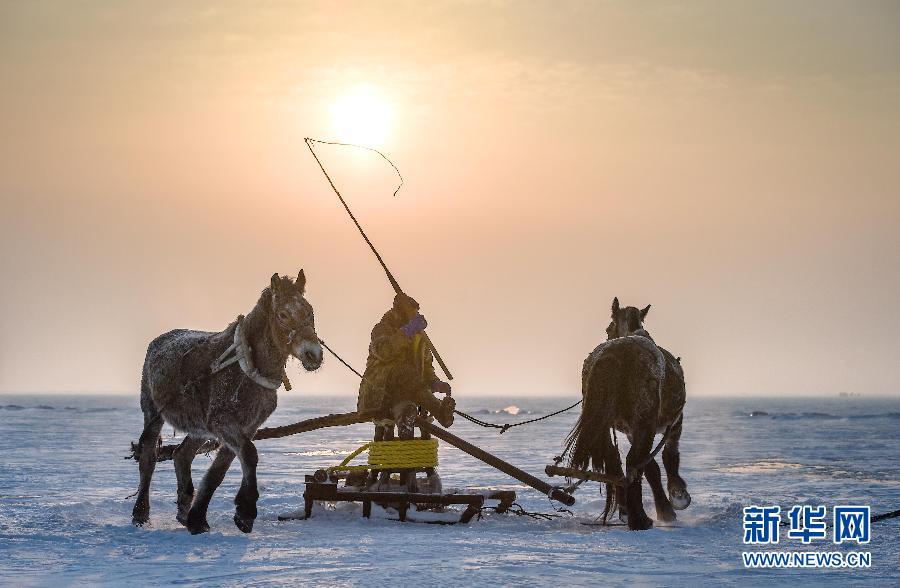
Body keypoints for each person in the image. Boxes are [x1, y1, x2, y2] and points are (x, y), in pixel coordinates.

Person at [355, 293, 455, 491]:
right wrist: (407, 332)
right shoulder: (382, 329)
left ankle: (412, 416)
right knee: (406, 372)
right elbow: (384, 351)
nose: (416, 315)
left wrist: (435, 383)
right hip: (383, 391)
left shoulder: (420, 338)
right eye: (413, 312)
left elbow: (426, 367)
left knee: (409, 401)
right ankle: (439, 411)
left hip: (408, 395)